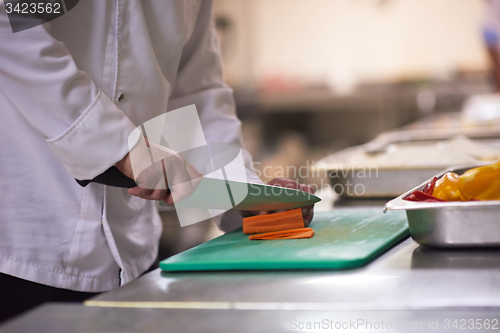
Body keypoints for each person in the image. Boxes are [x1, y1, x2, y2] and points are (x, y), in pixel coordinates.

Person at [0, 0, 314, 322]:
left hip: (132, 255)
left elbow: (196, 92)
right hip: (22, 250)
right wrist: (120, 148)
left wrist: (243, 194)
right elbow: (11, 28)